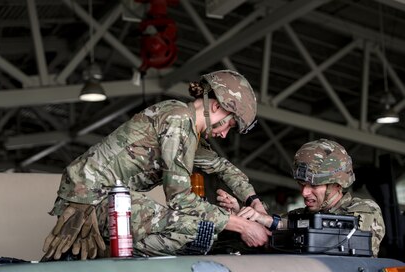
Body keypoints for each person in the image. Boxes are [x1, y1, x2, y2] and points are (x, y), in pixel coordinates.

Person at [42, 70, 270, 261]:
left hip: (109, 198)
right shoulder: (177, 120)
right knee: (196, 231)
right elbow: (180, 200)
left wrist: (255, 203)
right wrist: (242, 226)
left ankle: (113, 252)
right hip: (93, 199)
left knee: (202, 229)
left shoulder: (187, 128)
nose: (223, 134)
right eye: (229, 124)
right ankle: (106, 254)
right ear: (216, 107)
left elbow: (223, 167)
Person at [218, 139, 385, 257]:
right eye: (301, 184)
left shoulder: (365, 210)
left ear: (337, 184)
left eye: (313, 186)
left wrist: (272, 221)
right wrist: (241, 216)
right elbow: (264, 236)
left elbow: (331, 237)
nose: (304, 193)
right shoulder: (297, 216)